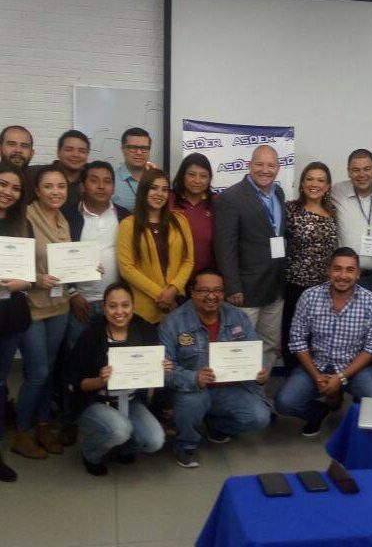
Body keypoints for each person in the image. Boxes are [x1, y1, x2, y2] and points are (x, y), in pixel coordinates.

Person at [159, 269, 271, 468]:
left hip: (230, 389)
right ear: (192, 292)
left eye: (218, 290)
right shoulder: (173, 323)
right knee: (192, 402)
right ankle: (185, 443)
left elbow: (255, 353)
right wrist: (194, 378)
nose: (212, 296)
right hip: (192, 390)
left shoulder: (238, 317)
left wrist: (260, 373)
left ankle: (216, 425)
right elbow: (165, 370)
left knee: (260, 417)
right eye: (204, 290)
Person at [275, 247, 372, 436]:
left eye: (350, 270)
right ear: (328, 271)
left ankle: (350, 414)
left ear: (358, 274)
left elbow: (371, 349)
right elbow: (297, 339)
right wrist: (316, 376)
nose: (343, 275)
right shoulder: (309, 297)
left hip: (354, 368)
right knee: (284, 403)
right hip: (317, 365)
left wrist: (341, 378)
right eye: (337, 269)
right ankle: (317, 413)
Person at [66, 282, 168, 476]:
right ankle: (91, 453)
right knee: (120, 430)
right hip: (96, 400)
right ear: (104, 308)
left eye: (125, 305)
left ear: (133, 306)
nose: (119, 311)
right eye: (112, 306)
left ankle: (122, 448)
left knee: (155, 441)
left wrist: (160, 371)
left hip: (130, 400)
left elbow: (150, 384)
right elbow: (76, 383)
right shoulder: (91, 335)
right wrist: (100, 380)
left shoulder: (146, 330)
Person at [11, 165, 71, 459]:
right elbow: (11, 264)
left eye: (61, 186)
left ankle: (43, 424)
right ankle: (22, 431)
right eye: (48, 186)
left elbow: (65, 262)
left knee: (49, 367)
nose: (56, 192)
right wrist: (37, 279)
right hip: (32, 306)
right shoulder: (25, 217)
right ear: (36, 190)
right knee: (37, 373)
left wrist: (86, 267)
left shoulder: (63, 219)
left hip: (60, 305)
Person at [214, 144, 286, 366]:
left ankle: (262, 385)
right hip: (245, 291)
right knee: (240, 347)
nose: (265, 170)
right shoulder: (231, 197)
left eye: (271, 165)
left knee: (270, 344)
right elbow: (224, 247)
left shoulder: (279, 193)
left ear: (278, 168)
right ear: (249, 165)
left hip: (274, 287)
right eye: (259, 164)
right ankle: (239, 387)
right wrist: (233, 286)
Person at [63, 161, 131, 348]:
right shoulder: (68, 216)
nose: (101, 186)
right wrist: (72, 294)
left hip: (116, 304)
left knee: (112, 356)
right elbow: (59, 257)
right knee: (76, 354)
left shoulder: (124, 216)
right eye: (94, 180)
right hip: (81, 303)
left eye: (107, 181)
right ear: (83, 186)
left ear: (113, 187)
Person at [117, 168, 194, 324]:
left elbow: (188, 260)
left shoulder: (180, 221)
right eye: (154, 188)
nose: (159, 194)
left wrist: (173, 290)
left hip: (177, 303)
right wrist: (161, 295)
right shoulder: (128, 225)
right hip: (144, 309)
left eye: (164, 189)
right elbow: (126, 268)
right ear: (143, 190)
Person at [282, 161, 337, 371]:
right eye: (310, 179)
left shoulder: (332, 212)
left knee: (318, 337)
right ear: (302, 183)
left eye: (320, 180)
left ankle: (316, 379)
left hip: (323, 290)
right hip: (295, 288)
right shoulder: (290, 210)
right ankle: (293, 379)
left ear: (328, 186)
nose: (315, 184)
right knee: (293, 336)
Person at [0, 163, 32, 481]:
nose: (8, 192)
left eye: (16, 188)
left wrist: (25, 282)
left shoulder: (21, 225)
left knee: (0, 383)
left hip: (10, 317)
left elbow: (29, 275)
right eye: (3, 184)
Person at [331, 148, 372, 299]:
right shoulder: (336, 192)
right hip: (343, 277)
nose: (361, 174)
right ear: (348, 172)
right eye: (356, 170)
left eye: (367, 169)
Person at [169, 152, 215, 291]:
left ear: (209, 179)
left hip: (207, 283)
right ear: (182, 175)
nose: (197, 180)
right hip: (172, 281)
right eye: (191, 174)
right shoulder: (169, 199)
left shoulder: (217, 202)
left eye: (203, 176)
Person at [26, 130, 91, 210]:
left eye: (82, 151)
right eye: (69, 149)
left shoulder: (89, 181)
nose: (75, 155)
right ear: (58, 152)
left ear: (87, 155)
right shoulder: (33, 174)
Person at [113, 127, 152, 211]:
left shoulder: (157, 179)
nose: (139, 152)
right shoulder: (111, 181)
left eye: (144, 148)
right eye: (133, 147)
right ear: (123, 150)